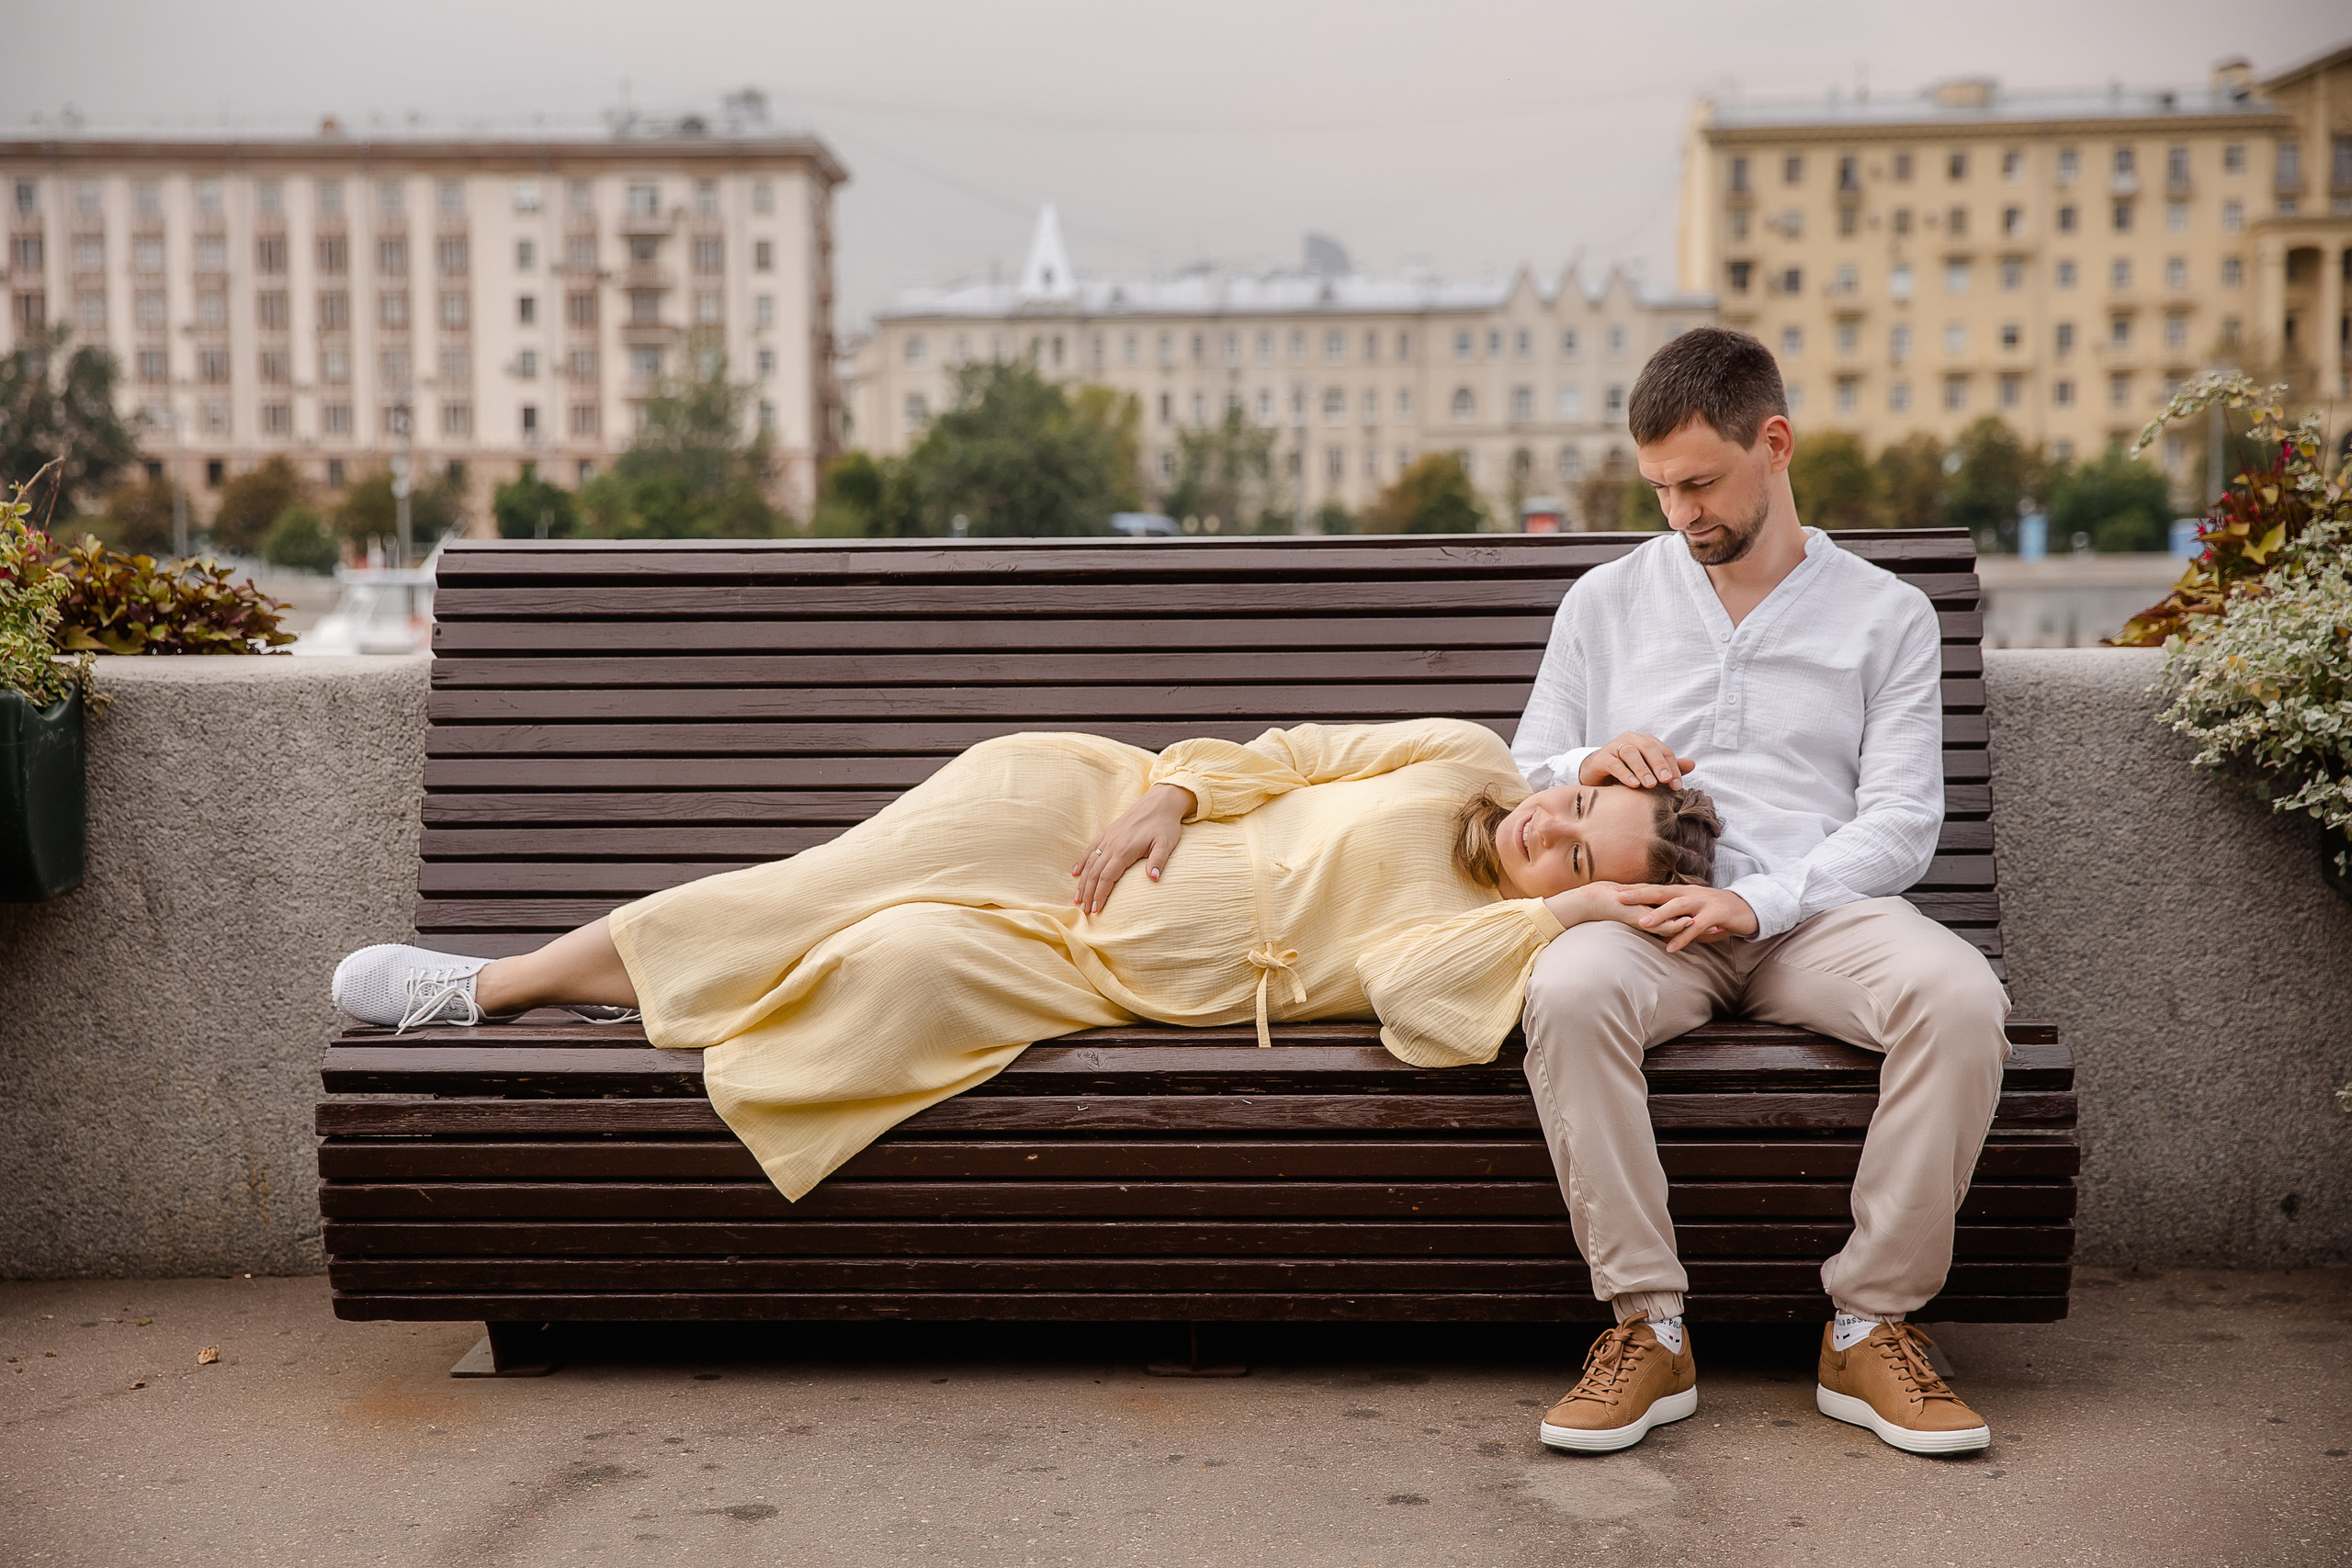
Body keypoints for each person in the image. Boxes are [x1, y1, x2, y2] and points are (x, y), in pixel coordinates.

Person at [334, 718, 1721, 1203]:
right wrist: (1169, 795)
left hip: (1095, 976)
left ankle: (668, 1004)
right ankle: (490, 986)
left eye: (1574, 860)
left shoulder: (1493, 946)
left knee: (898, 966)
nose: (1546, 831)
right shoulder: (1469, 758)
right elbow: (1292, 755)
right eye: (1574, 803)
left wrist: (1560, 923)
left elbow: (1409, 999)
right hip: (1084, 817)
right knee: (820, 889)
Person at [1511, 326, 2010, 1459]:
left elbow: (1902, 823)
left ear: (1773, 444)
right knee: (1570, 993)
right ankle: (1646, 1326)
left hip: (1813, 916)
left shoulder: (1885, 613)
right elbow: (1526, 761)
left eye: (1699, 483)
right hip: (1646, 919)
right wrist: (1585, 762)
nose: (1680, 513)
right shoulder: (1605, 600)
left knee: (1957, 998)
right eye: (1659, 489)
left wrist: (1762, 902)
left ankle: (1869, 1325)